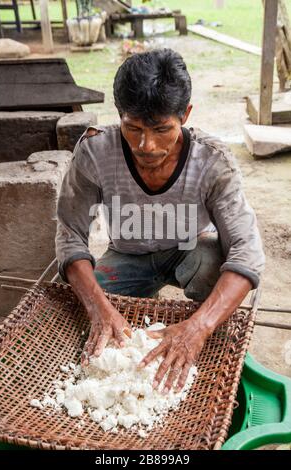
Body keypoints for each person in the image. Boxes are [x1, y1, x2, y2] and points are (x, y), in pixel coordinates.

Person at [55, 49, 265, 394]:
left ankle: (200, 338)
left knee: (218, 285)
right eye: (132, 127)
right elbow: (70, 236)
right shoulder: (94, 152)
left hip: (192, 251)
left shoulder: (212, 161)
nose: (145, 145)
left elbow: (248, 250)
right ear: (119, 116)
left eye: (161, 129)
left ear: (185, 115)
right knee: (75, 306)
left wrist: (199, 326)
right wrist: (98, 307)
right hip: (129, 256)